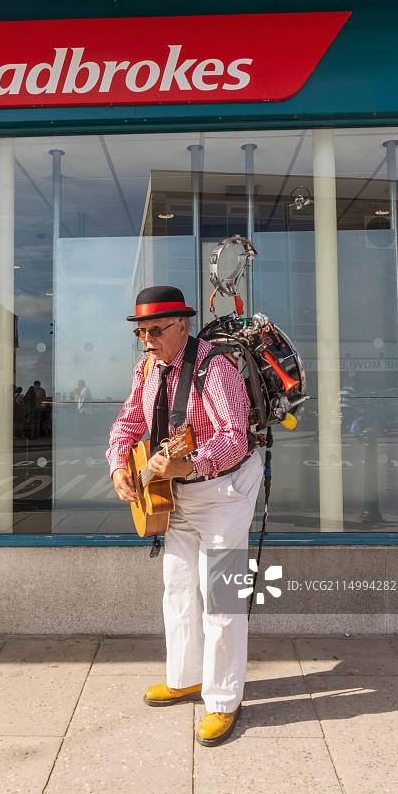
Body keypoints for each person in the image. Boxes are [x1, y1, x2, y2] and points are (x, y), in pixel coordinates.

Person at [106, 285, 264, 747]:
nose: (147, 340)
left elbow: (234, 437)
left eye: (155, 330)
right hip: (174, 497)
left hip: (224, 492)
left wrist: (190, 464)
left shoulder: (216, 368)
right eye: (141, 332)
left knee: (220, 599)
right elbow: (129, 421)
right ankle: (186, 676)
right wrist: (119, 464)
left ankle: (223, 700)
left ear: (183, 326)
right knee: (177, 587)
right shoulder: (147, 368)